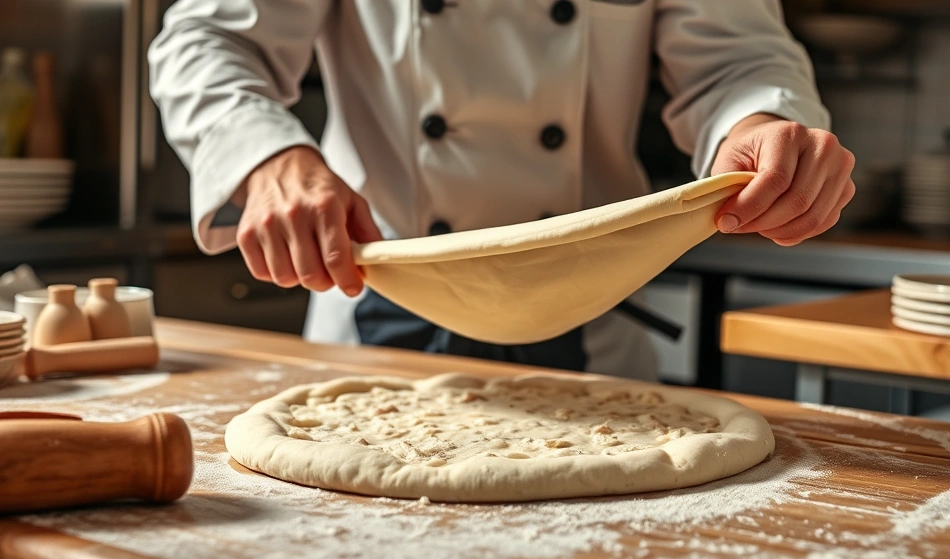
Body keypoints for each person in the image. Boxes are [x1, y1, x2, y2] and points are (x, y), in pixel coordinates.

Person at [148, 0, 855, 382]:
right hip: (377, 317)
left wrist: (761, 120)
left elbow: (737, 55)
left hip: (594, 331)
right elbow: (205, 39)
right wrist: (268, 157)